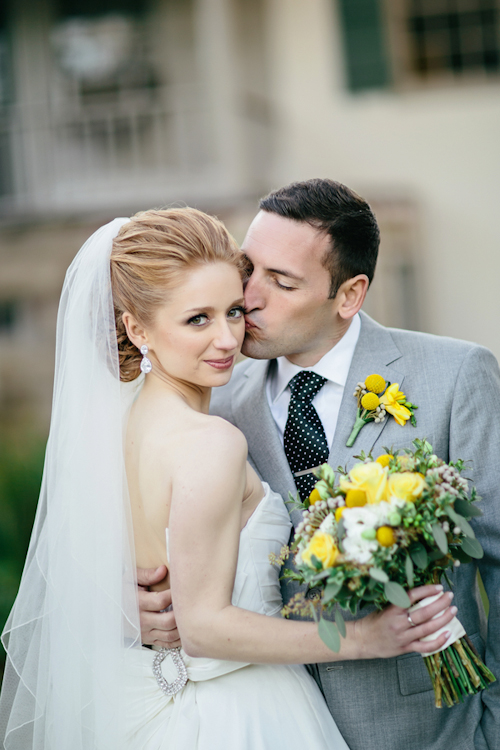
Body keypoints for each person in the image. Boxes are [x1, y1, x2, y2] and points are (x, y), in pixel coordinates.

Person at [0, 207, 453, 749]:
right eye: (198, 319)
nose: (225, 339)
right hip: (236, 713)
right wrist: (364, 638)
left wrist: (120, 608)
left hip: (138, 704)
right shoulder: (212, 441)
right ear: (136, 327)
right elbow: (205, 627)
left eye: (234, 311)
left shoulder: (111, 430)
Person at [142, 181, 500, 750]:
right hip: (269, 720)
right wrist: (140, 607)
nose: (248, 297)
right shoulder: (214, 397)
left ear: (349, 295)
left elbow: (497, 560)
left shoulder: (456, 378)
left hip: (432, 729)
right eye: (248, 268)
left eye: (281, 282)